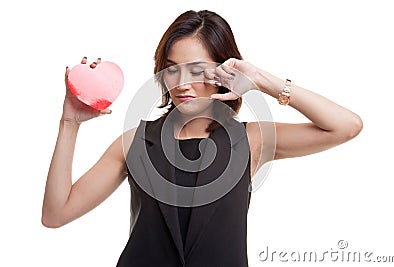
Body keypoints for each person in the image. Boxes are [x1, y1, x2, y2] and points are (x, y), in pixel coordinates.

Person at [41, 10, 363, 267]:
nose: (182, 83)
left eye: (196, 70)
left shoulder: (252, 139)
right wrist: (70, 121)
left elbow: (346, 126)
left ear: (224, 71)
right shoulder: (134, 143)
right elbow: (56, 215)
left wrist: (262, 80)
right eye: (172, 69)